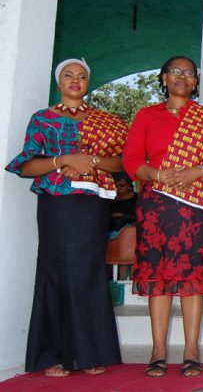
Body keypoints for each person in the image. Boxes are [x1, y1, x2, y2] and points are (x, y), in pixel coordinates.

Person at [5, 58, 126, 376]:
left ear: (88, 83)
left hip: (91, 205)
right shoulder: (43, 119)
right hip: (56, 204)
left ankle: (90, 352)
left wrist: (93, 160)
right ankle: (54, 354)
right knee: (56, 271)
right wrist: (63, 159)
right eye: (69, 76)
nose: (76, 80)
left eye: (82, 76)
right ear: (58, 83)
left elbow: (119, 164)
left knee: (88, 271)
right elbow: (26, 166)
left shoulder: (104, 121)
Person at [122, 56, 203, 377]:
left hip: (195, 206)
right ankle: (158, 349)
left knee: (192, 278)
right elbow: (132, 160)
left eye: (189, 73)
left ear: (195, 81)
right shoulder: (147, 115)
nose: (182, 77)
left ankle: (191, 349)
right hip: (156, 204)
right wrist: (157, 174)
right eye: (176, 71)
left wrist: (196, 171)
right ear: (163, 78)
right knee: (158, 276)